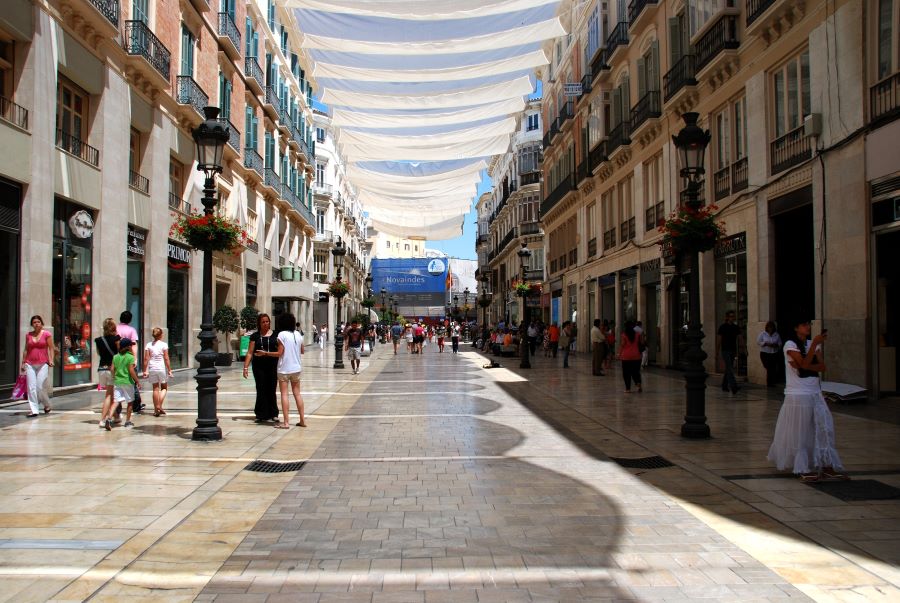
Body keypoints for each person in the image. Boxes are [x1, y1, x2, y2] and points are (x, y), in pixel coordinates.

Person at [768, 320, 847, 482]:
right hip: (798, 393)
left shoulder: (812, 343)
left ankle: (827, 465)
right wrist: (811, 355)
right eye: (804, 325)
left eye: (809, 325)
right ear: (796, 327)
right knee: (801, 431)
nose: (808, 328)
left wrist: (808, 362)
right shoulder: (790, 344)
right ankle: (802, 467)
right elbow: (803, 365)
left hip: (814, 392)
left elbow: (820, 367)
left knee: (824, 427)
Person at [243, 313, 279, 423]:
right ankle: (261, 414)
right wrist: (245, 367)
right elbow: (250, 352)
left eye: (267, 321)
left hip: (272, 366)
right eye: (263, 322)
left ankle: (273, 413)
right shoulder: (255, 336)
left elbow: (280, 351)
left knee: (271, 389)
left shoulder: (276, 335)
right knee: (261, 388)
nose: (265, 324)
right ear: (259, 323)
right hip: (259, 367)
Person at [274, 312, 305, 429]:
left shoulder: (281, 335)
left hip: (284, 369)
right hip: (296, 368)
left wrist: (265, 353)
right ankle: (302, 420)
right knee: (297, 394)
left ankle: (286, 422)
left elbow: (279, 353)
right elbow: (302, 351)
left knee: (284, 394)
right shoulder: (298, 334)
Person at [21, 315, 57, 417]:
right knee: (31, 387)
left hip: (43, 363)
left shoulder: (47, 334)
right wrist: (23, 362)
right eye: (34, 322)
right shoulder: (28, 335)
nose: (36, 324)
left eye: (38, 322)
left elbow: (51, 348)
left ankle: (46, 404)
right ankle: (34, 410)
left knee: (40, 386)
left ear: (41, 323)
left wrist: (51, 359)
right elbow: (26, 349)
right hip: (30, 363)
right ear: (32, 324)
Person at [94, 318, 120, 429]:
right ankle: (103, 419)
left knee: (111, 395)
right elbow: (119, 353)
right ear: (114, 327)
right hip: (112, 369)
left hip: (101, 369)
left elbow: (99, 354)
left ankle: (116, 416)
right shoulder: (116, 339)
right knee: (109, 396)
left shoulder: (98, 340)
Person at [142, 327, 173, 417]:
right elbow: (166, 358)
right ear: (161, 335)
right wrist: (169, 370)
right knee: (164, 388)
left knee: (155, 388)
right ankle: (159, 405)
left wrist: (144, 370)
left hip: (152, 368)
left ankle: (156, 409)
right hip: (161, 368)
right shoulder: (164, 344)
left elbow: (146, 359)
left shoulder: (149, 345)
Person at [116, 311, 143, 413]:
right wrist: (135, 358)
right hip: (128, 358)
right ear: (130, 320)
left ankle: (117, 408)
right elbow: (134, 344)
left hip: (118, 358)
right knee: (133, 383)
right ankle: (136, 406)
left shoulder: (116, 329)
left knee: (117, 384)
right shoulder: (131, 330)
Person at [112, 337, 140, 428]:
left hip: (117, 381)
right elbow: (131, 371)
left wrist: (114, 377)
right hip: (128, 382)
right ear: (128, 347)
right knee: (130, 402)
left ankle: (108, 418)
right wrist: (137, 381)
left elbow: (112, 369)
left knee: (116, 401)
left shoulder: (115, 357)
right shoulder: (130, 357)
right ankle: (127, 421)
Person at [718, 311, 742, 394]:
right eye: (731, 316)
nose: (732, 318)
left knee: (728, 368)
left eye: (733, 316)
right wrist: (717, 352)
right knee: (730, 368)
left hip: (733, 350)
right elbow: (719, 340)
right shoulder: (722, 327)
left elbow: (740, 338)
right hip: (725, 350)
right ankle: (734, 386)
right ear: (727, 317)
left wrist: (744, 349)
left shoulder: (736, 327)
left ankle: (724, 386)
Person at [757, 321, 783, 387]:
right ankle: (770, 382)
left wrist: (776, 345)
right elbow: (758, 342)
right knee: (768, 367)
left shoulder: (776, 335)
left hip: (773, 353)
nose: (770, 329)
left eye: (771, 327)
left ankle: (770, 382)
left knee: (772, 368)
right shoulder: (763, 334)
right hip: (765, 353)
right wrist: (765, 343)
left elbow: (780, 343)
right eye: (769, 327)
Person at [619, 321, 643, 393]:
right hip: (636, 356)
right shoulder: (637, 334)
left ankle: (628, 388)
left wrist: (619, 354)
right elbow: (642, 343)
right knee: (636, 372)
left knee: (626, 373)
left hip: (626, 357)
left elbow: (622, 345)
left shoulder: (624, 335)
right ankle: (638, 383)